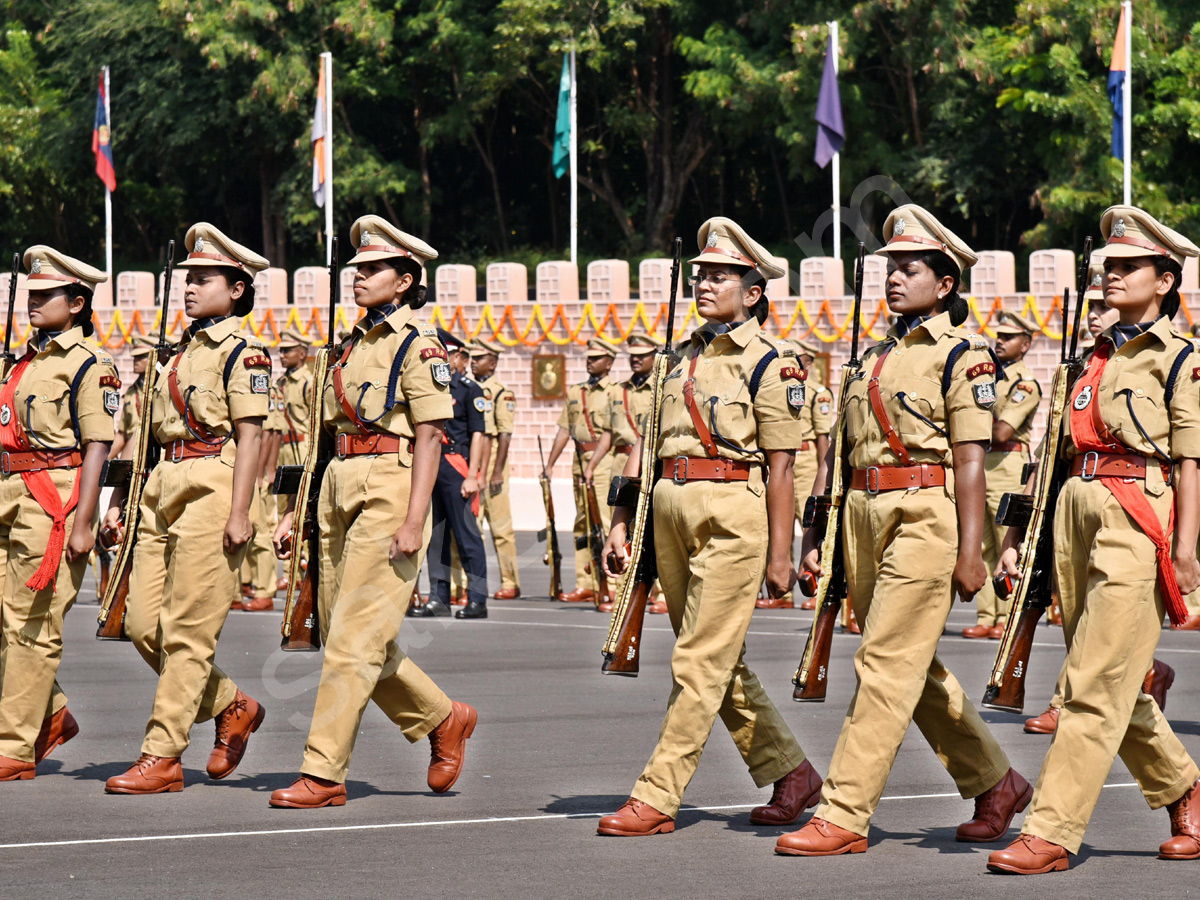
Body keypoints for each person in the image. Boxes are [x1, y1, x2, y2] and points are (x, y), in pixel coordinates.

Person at [776, 204, 1030, 857]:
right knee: (910, 665)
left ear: (945, 284)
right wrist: (816, 536)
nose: (893, 278)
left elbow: (972, 458)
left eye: (909, 268)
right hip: (861, 521)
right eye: (889, 267)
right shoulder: (874, 356)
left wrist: (971, 551)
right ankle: (997, 783)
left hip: (924, 516)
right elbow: (838, 454)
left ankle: (844, 811)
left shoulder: (964, 353)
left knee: (884, 664)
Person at [988, 207, 1200, 874]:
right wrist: (1021, 537)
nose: (1110, 276)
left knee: (1091, 684)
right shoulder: (1093, 358)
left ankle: (1050, 830)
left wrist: (1188, 546)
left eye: (1127, 267)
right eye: (1106, 266)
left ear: (1164, 281)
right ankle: (1186, 790)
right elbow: (1053, 455)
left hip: (1138, 514)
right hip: (1073, 513)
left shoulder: (1181, 360)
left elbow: (1191, 462)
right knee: (1108, 677)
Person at [597, 217, 822, 837]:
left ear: (752, 292)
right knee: (719, 662)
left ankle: (658, 794)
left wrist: (782, 554)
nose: (704, 282)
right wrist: (621, 521)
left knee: (697, 661)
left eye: (721, 275)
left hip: (732, 512)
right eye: (700, 273)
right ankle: (793, 771)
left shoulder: (774, 363)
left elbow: (782, 466)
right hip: (667, 511)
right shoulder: (679, 358)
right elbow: (643, 448)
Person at [268, 215, 476, 808]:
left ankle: (323, 771)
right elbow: (320, 437)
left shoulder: (419, 345)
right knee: (349, 632)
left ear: (406, 279)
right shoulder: (349, 345)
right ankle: (443, 719)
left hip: (391, 480)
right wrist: (297, 510)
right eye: (356, 268)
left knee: (353, 643)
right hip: (337, 483)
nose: (358, 277)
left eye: (373, 269)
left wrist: (414, 519)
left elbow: (433, 434)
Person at [102, 224, 270, 794]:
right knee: (143, 622)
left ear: (238, 289)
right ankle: (231, 704)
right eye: (189, 278)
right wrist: (123, 497)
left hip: (212, 483)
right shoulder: (177, 355)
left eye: (205, 279)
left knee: (188, 635)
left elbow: (250, 436)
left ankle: (163, 755)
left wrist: (241, 512)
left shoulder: (244, 354)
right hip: (160, 483)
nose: (191, 288)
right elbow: (145, 435)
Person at [0, 247, 116, 781]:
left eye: (46, 295)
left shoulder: (89, 363)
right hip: (10, 490)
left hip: (54, 497)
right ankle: (48, 712)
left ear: (76, 302)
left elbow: (97, 444)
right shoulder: (22, 362)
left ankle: (15, 746)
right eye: (30, 294)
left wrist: (86, 520)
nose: (34, 303)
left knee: (31, 626)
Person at [963, 311, 1043, 640]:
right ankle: (987, 615)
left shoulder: (1024, 384)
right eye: (999, 335)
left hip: (1006, 462)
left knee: (1007, 544)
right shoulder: (986, 378)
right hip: (980, 464)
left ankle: (1008, 615)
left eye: (1009, 337)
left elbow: (1001, 430)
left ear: (1025, 344)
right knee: (981, 544)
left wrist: (968, 416)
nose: (1000, 340)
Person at [417, 330, 488, 620]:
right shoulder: (430, 385)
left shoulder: (469, 389)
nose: (441, 359)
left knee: (467, 535)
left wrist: (473, 475)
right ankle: (439, 597)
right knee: (437, 537)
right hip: (432, 467)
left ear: (458, 356)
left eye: (446, 353)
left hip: (457, 466)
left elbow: (479, 434)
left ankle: (477, 599)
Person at [543, 337, 619, 603]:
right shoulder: (576, 392)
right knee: (582, 525)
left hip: (604, 462)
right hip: (580, 461)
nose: (590, 361)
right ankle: (585, 582)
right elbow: (564, 430)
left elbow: (611, 433)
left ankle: (612, 585)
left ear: (609, 363)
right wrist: (550, 465)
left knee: (606, 524)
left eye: (596, 358)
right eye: (588, 357)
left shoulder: (615, 392)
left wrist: (595, 465)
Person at [759, 339, 833, 611]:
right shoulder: (777, 382)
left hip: (808, 461)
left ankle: (818, 588)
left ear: (810, 363)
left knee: (812, 526)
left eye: (800, 358)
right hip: (782, 459)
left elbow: (824, 436)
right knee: (780, 526)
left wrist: (824, 475)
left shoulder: (817, 392)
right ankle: (783, 591)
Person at [603, 329, 667, 614]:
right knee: (619, 526)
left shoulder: (665, 383)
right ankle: (623, 587)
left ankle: (662, 593)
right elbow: (607, 431)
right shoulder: (619, 390)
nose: (636, 361)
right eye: (632, 357)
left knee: (659, 527)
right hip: (623, 462)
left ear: (654, 356)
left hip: (653, 462)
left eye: (642, 356)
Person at [469, 338, 522, 600]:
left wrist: (498, 470)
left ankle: (510, 582)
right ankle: (472, 585)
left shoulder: (502, 392)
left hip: (493, 462)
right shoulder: (468, 388)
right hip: (472, 459)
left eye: (478, 358)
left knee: (501, 528)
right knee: (471, 526)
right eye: (471, 357)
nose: (472, 362)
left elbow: (505, 434)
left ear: (492, 362)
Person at [264, 328, 312, 595]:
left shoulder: (308, 381)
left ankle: (305, 570)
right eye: (281, 350)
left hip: (301, 448)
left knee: (301, 510)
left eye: (287, 350)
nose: (281, 355)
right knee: (284, 510)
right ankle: (292, 571)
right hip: (283, 450)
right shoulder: (280, 384)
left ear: (302, 354)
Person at [108, 334, 156, 461]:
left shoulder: (161, 389)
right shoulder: (131, 392)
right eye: (135, 357)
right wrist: (103, 459)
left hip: (155, 456)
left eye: (141, 357)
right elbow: (123, 434)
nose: (136, 360)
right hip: (132, 457)